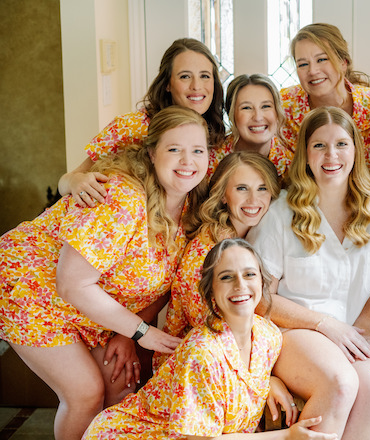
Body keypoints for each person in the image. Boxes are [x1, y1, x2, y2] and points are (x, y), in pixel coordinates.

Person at [0, 106, 209, 440]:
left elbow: (168, 286)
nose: (188, 161)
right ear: (152, 154)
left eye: (198, 151)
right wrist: (143, 332)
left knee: (121, 385)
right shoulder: (123, 199)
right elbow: (72, 284)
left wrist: (128, 333)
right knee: (85, 394)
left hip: (89, 307)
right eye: (175, 149)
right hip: (32, 287)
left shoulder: (190, 212)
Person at [248, 106, 370, 439]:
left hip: (356, 331)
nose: (331, 155)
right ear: (305, 154)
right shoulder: (281, 213)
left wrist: (363, 323)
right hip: (295, 332)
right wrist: (324, 324)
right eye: (319, 145)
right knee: (341, 382)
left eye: (341, 144)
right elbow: (260, 299)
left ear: (355, 151)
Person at [83, 238, 337, 440]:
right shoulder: (202, 352)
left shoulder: (268, 336)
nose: (240, 284)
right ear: (211, 292)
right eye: (226, 277)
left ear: (262, 282)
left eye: (249, 274)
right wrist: (286, 437)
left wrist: (269, 380)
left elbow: (240, 379)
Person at [58, 38, 225, 207]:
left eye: (205, 76)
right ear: (167, 84)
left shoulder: (218, 140)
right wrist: (74, 180)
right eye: (185, 76)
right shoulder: (130, 127)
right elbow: (65, 182)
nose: (196, 86)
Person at [153, 151, 281, 369]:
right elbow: (207, 322)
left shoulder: (252, 237)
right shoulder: (211, 247)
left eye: (262, 188)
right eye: (242, 188)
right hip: (196, 364)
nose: (253, 199)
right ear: (223, 195)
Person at [280, 23, 370, 173]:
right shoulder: (282, 105)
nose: (313, 71)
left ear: (343, 62)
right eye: (303, 64)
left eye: (322, 59)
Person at [222, 74, 293, 178]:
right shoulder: (210, 160)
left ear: (277, 112)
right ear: (231, 114)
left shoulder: (291, 166)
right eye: (246, 108)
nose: (258, 117)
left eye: (266, 106)